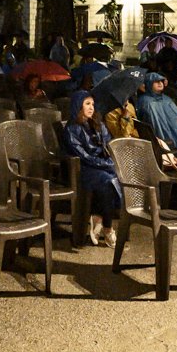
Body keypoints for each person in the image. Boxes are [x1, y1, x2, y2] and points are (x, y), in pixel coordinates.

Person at [61, 91, 121, 247]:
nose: (91, 107)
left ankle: (99, 217)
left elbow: (109, 143)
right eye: (87, 104)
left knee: (118, 176)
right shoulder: (71, 129)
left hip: (100, 165)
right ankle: (108, 227)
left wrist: (110, 158)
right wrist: (105, 163)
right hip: (83, 169)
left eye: (93, 104)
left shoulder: (97, 124)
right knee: (108, 180)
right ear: (78, 106)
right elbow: (83, 156)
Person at [133, 73, 177, 160]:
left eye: (161, 81)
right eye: (156, 81)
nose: (160, 83)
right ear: (149, 83)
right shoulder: (145, 101)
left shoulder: (167, 99)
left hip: (175, 137)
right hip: (158, 140)